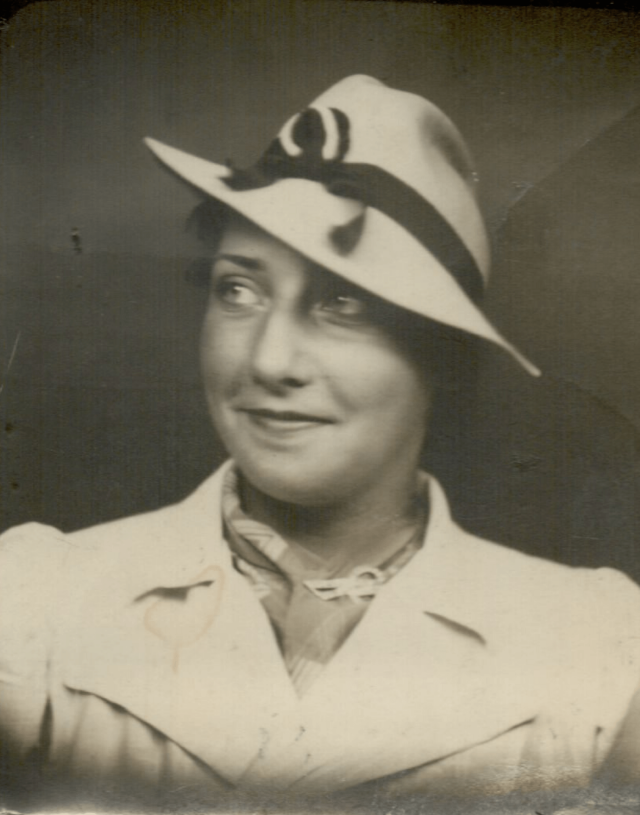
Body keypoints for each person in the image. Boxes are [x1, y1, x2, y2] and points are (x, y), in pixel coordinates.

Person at [1, 75, 639, 814]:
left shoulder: (599, 648)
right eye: (239, 290)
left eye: (343, 303)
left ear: (443, 355)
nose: (269, 361)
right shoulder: (34, 601)